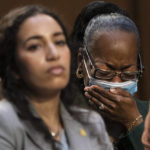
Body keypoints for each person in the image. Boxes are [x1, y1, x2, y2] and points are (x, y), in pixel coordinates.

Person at [0, 5, 113, 150]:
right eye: (34, 46)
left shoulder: (91, 123)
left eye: (59, 42)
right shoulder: (4, 120)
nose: (53, 54)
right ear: (13, 66)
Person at [70, 1, 149, 150]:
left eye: (127, 72)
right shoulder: (64, 116)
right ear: (82, 61)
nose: (116, 83)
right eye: (105, 72)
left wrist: (133, 121)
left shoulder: (147, 112)